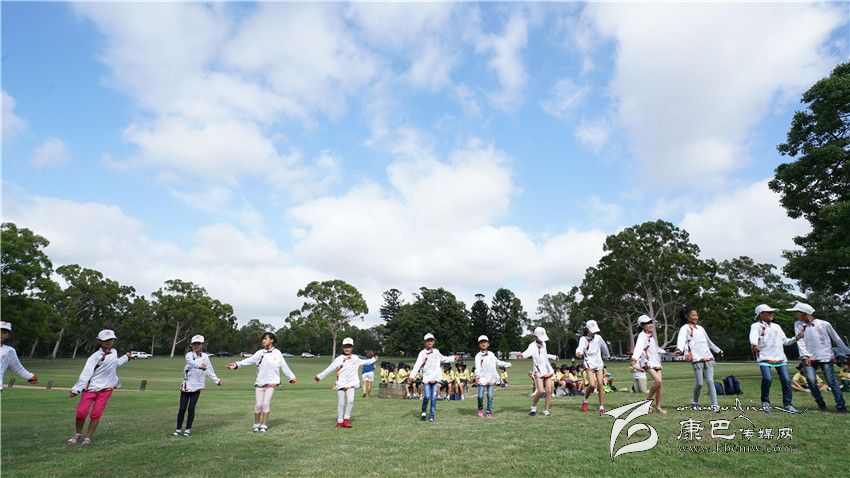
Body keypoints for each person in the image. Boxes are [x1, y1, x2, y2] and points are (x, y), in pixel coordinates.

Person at [67, 329, 133, 446]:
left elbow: (115, 363)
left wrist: (126, 357)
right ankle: (78, 433)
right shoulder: (95, 356)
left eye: (111, 339)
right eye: (105, 340)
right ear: (99, 341)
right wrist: (76, 389)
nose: (108, 342)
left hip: (106, 389)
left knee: (96, 414)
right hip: (90, 389)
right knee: (81, 413)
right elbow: (86, 373)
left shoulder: (114, 352)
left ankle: (88, 437)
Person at [227, 332, 296, 432]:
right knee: (258, 405)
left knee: (265, 404)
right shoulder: (260, 353)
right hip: (260, 382)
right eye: (263, 339)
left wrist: (291, 377)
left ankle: (264, 425)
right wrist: (236, 365)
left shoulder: (277, 353)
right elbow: (249, 360)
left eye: (265, 338)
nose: (263, 341)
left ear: (272, 340)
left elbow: (284, 366)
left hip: (271, 383)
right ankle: (256, 424)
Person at [790, 302, 849, 413]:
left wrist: (847, 352)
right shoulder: (798, 324)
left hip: (825, 356)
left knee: (831, 382)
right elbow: (800, 341)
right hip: (808, 358)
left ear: (805, 313)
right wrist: (805, 356)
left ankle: (841, 406)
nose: (795, 314)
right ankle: (821, 404)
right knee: (811, 381)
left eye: (797, 312)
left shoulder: (824, 324)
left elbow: (836, 339)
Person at [749, 304, 804, 413]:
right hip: (765, 358)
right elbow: (753, 337)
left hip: (780, 358)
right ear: (761, 314)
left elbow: (785, 341)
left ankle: (788, 405)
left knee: (786, 380)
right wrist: (754, 345)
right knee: (767, 379)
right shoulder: (756, 326)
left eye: (772, 312)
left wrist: (796, 338)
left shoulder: (777, 327)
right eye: (769, 312)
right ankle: (765, 402)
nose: (772, 314)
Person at [315, 337, 378, 428]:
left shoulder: (356, 358)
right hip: (341, 383)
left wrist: (373, 360)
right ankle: (340, 421)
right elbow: (330, 368)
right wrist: (320, 376)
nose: (347, 349)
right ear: (342, 348)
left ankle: (346, 420)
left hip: (351, 383)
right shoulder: (339, 358)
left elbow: (365, 362)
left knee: (350, 400)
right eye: (345, 347)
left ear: (352, 348)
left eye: (349, 347)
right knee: (341, 402)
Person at [674, 307, 724, 411]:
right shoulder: (685, 328)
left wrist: (718, 350)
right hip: (696, 358)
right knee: (699, 384)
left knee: (710, 381)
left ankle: (715, 405)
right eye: (693, 315)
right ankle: (695, 401)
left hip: (708, 357)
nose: (695, 317)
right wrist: (679, 349)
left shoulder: (701, 328)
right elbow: (681, 341)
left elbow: (708, 342)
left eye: (696, 315)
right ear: (686, 316)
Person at [174, 335, 222, 437]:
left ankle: (188, 429)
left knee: (191, 408)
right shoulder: (189, 355)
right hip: (187, 385)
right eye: (194, 344)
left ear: (202, 345)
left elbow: (209, 370)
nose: (196, 346)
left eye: (198, 344)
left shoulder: (205, 357)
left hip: (197, 386)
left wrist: (217, 380)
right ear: (191, 345)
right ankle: (178, 429)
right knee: (182, 408)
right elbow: (191, 363)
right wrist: (200, 366)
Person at [408, 333, 459, 422]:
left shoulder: (436, 351)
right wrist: (412, 376)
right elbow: (417, 365)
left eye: (431, 340)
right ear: (425, 342)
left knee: (433, 397)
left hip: (435, 378)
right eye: (428, 341)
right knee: (427, 396)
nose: (429, 342)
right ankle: (424, 412)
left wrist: (453, 358)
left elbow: (444, 359)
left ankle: (432, 415)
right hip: (427, 378)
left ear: (434, 342)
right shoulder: (422, 353)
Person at [518, 327, 558, 416]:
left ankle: (546, 410)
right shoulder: (532, 345)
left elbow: (545, 355)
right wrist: (522, 355)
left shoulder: (544, 344)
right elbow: (527, 353)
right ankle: (533, 407)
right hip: (538, 371)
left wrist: (553, 357)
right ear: (536, 337)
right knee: (540, 390)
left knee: (549, 391)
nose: (542, 340)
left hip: (547, 369)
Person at [631, 315, 666, 413]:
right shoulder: (642, 336)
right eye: (647, 323)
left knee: (660, 385)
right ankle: (647, 402)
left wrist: (665, 352)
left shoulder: (651, 337)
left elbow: (654, 349)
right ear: (642, 326)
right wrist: (634, 359)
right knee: (658, 381)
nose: (650, 325)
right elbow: (638, 348)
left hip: (656, 362)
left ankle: (658, 407)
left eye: (651, 323)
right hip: (647, 362)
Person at [576, 320, 611, 414]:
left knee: (600, 384)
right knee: (592, 385)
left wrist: (607, 356)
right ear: (587, 329)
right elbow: (580, 347)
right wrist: (578, 352)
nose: (594, 332)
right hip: (589, 363)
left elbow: (604, 347)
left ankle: (601, 406)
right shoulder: (583, 339)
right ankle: (585, 400)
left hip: (598, 363)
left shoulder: (598, 338)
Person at [473, 335, 511, 418]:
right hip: (482, 379)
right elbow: (478, 367)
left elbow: (498, 362)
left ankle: (488, 412)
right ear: (479, 345)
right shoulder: (478, 356)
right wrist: (477, 376)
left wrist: (507, 364)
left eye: (485, 342)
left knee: (490, 396)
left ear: (488, 344)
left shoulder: (491, 354)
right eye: (481, 343)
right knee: (480, 396)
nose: (483, 344)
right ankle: (480, 409)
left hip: (491, 378)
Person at [0, 321, 38, 391]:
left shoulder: (9, 351)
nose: (1, 334)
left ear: (7, 335)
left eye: (4, 332)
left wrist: (30, 377)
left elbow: (18, 368)